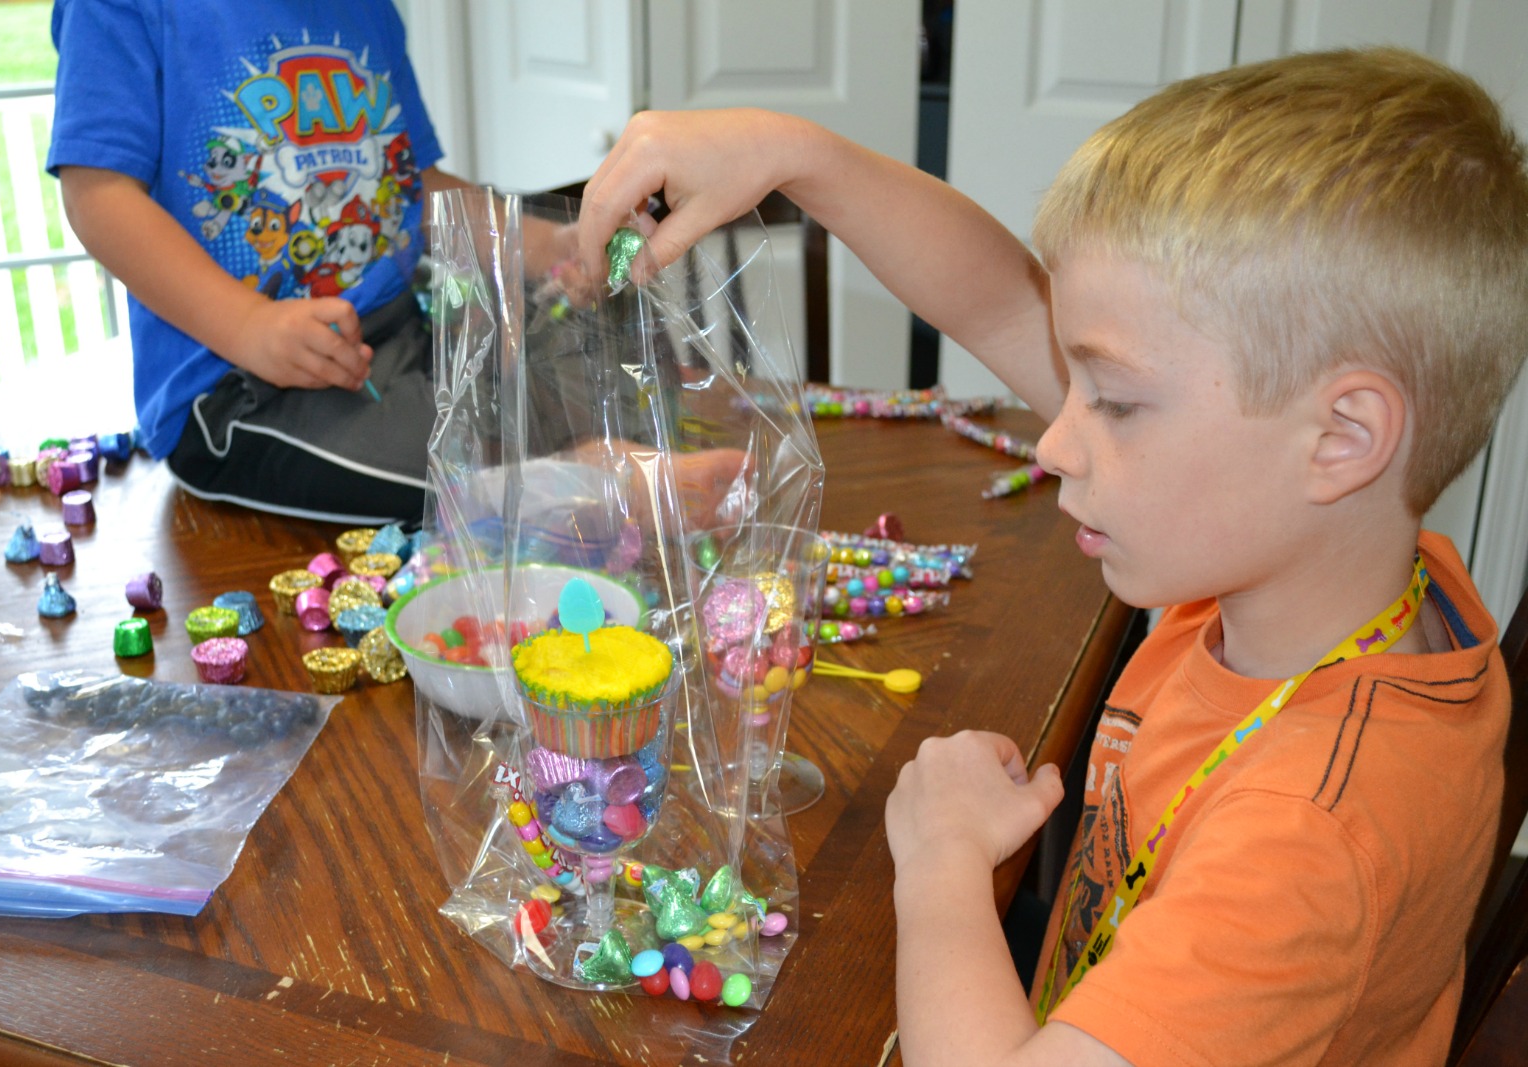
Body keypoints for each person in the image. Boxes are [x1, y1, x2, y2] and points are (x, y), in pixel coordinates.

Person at [574, 47, 1528, 1065]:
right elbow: (994, 298)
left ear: (1341, 437)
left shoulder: (1308, 836)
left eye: (1112, 402)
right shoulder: (1336, 561)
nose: (1056, 439)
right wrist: (795, 155)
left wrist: (941, 864)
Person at [46, 0, 571, 523]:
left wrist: (547, 244)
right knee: (477, 466)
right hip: (237, 388)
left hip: (400, 337)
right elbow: (97, 195)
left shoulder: (371, 11)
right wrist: (248, 325)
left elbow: (414, 185)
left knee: (557, 386)